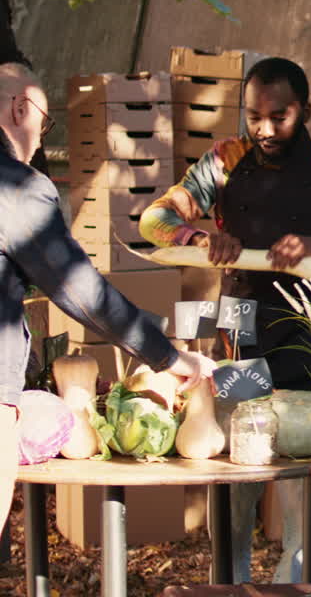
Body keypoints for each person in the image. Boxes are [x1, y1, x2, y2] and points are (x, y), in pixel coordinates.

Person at [140, 57, 311, 583]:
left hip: (310, 340)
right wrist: (200, 237)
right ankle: (232, 584)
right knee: (239, 482)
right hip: (240, 330)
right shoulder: (222, 161)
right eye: (253, 116)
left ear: (305, 110)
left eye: (279, 117)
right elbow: (156, 219)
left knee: (298, 491)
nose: (263, 129)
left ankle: (296, 584)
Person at [0, 63, 215, 533]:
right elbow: (80, 292)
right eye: (44, 119)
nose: (40, 136)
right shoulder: (15, 187)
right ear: (20, 109)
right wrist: (169, 357)